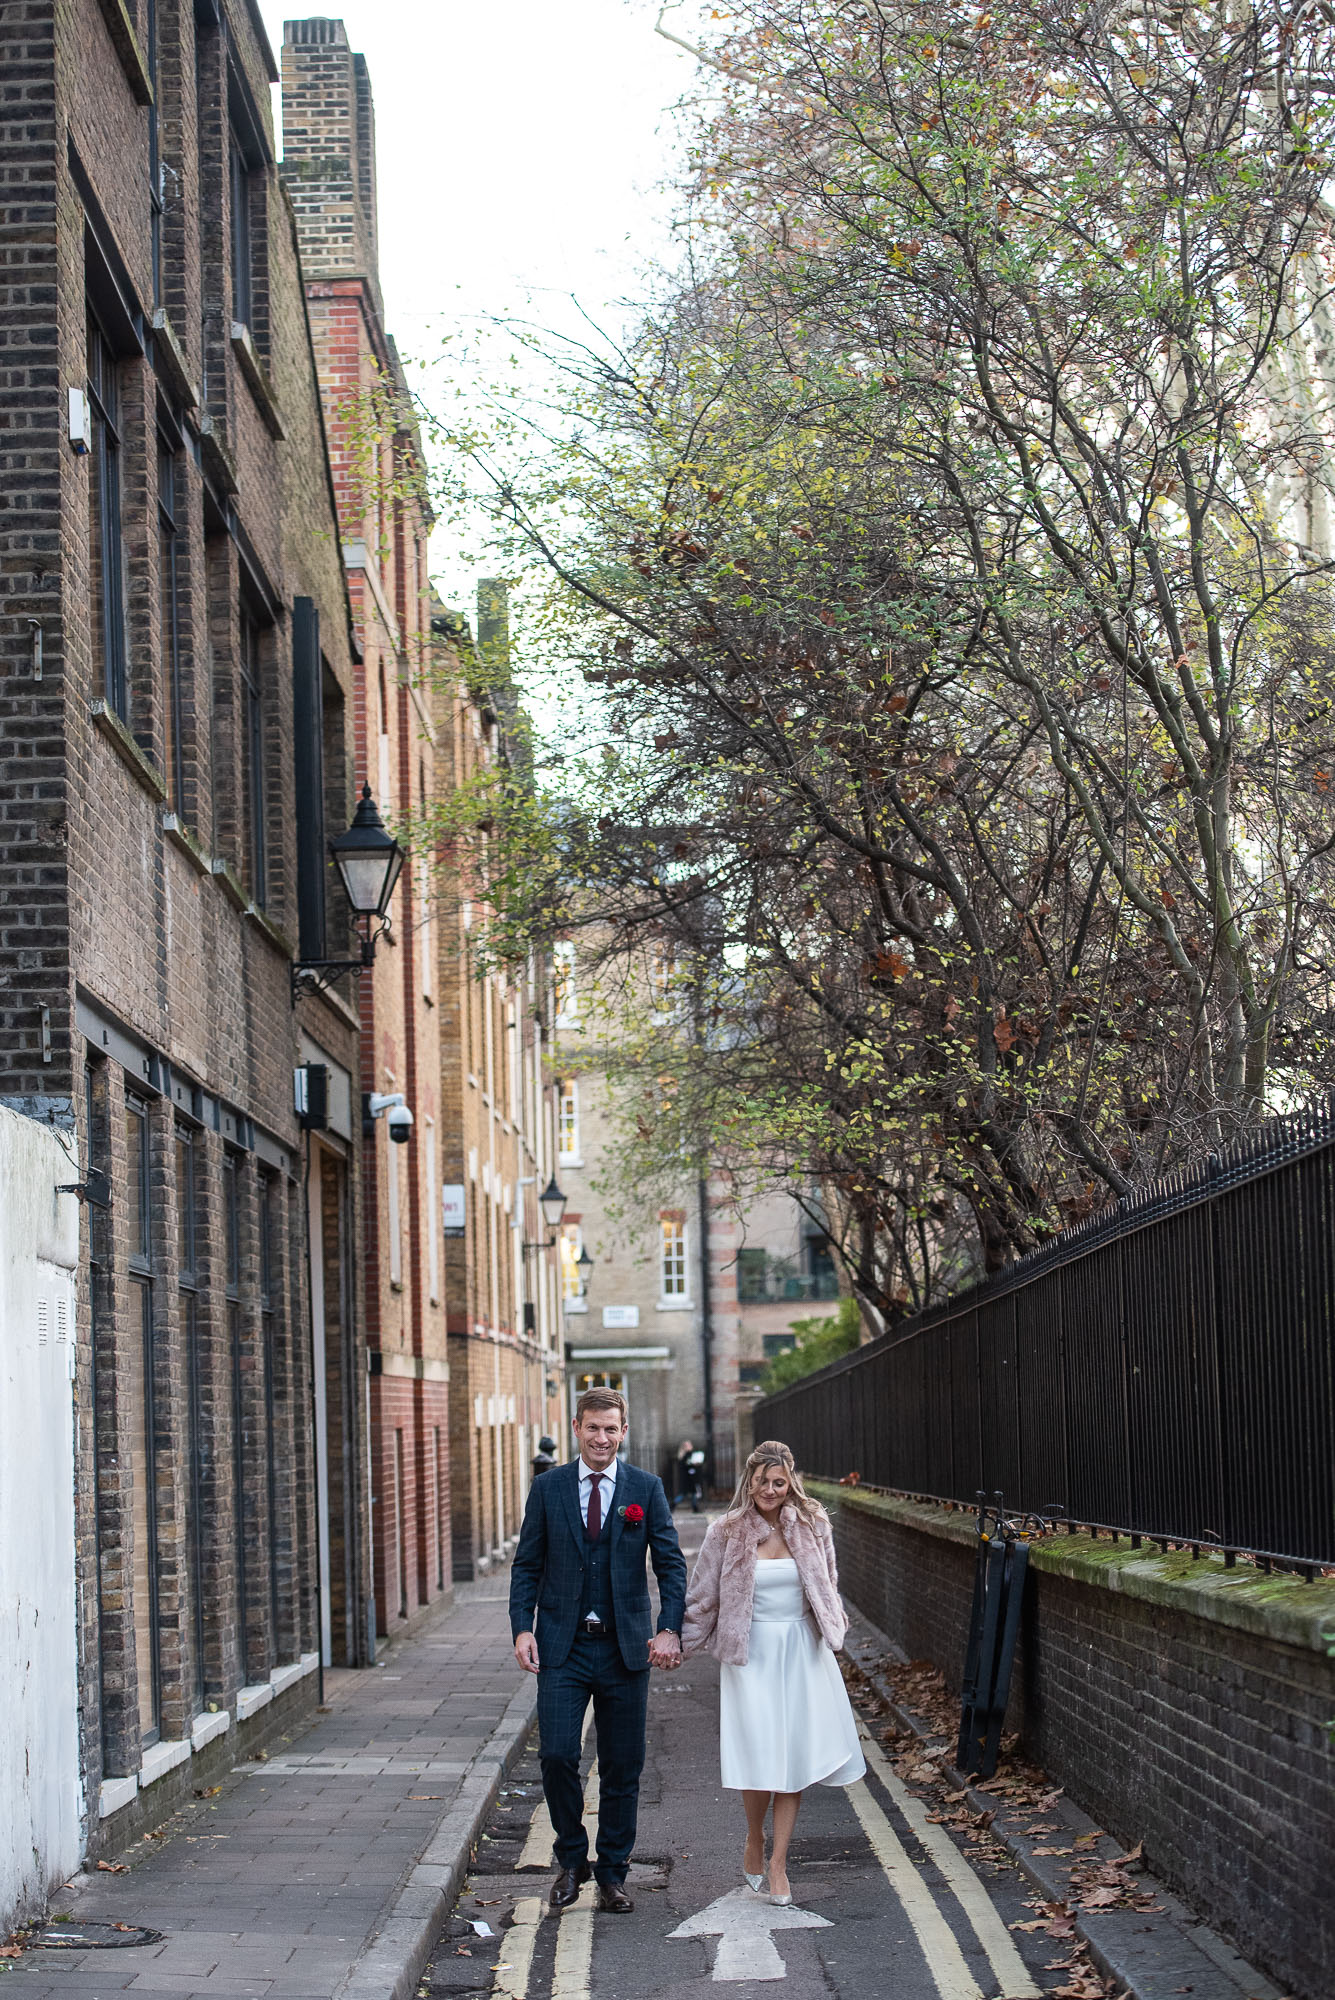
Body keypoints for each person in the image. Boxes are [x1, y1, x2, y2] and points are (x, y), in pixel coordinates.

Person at [509, 1388, 687, 1915]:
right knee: (558, 1755)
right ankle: (571, 1860)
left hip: (626, 1648)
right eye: (593, 1428)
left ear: (623, 1432)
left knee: (621, 1766)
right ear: (576, 1427)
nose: (602, 1438)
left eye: (611, 1429)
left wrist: (669, 1629)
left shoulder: (646, 1490)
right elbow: (527, 1564)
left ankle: (612, 1873)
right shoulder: (548, 1488)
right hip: (562, 1647)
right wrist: (523, 1628)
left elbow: (671, 1565)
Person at [680, 1438, 864, 1906]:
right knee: (758, 1758)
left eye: (779, 1482)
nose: (770, 1490)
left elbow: (829, 1581)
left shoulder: (813, 1524)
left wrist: (832, 1627)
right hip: (751, 1653)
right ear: (750, 1480)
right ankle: (754, 1838)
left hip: (801, 1651)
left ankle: (779, 1862)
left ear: (790, 1483)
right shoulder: (726, 1531)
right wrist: (676, 1643)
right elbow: (703, 1597)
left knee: (792, 1761)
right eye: (763, 1481)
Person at [671, 1438, 705, 1513]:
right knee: (683, 1494)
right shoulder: (686, 1455)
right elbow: (688, 1466)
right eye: (689, 1445)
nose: (691, 1446)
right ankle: (672, 1505)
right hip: (688, 1479)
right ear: (685, 1447)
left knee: (693, 1493)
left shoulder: (686, 1455)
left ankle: (695, 1508)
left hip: (690, 1478)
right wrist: (694, 1464)